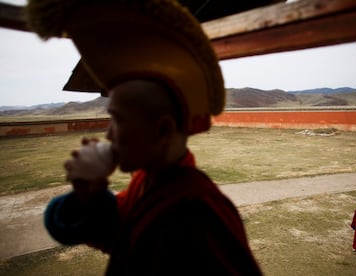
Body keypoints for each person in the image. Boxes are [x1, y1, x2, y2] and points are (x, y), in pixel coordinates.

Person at [25, 0, 263, 275]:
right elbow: (116, 233)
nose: (108, 133)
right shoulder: (146, 183)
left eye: (118, 120)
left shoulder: (199, 212)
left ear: (161, 131)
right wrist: (88, 196)